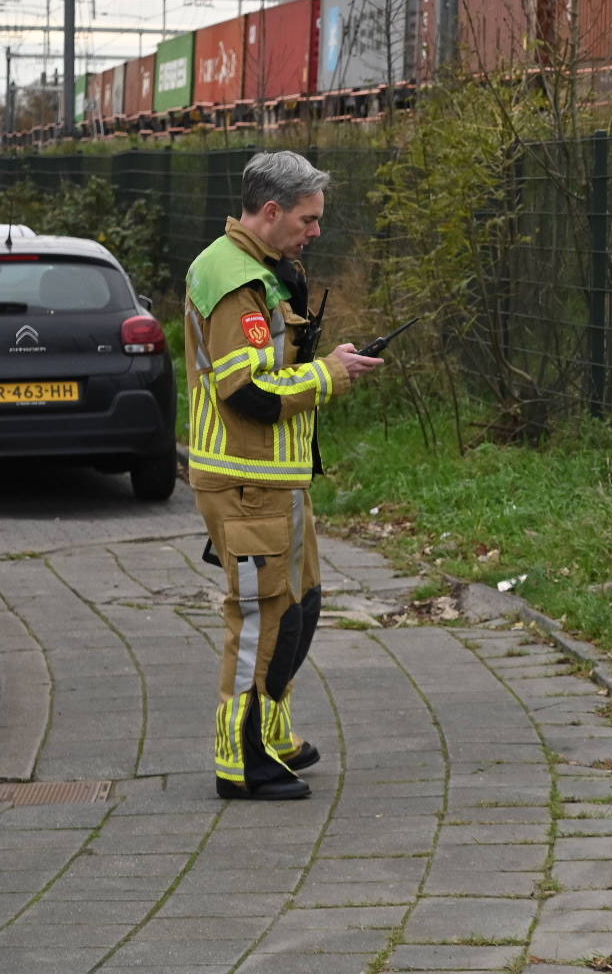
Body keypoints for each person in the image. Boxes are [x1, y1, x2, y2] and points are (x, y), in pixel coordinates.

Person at [182, 151, 384, 800]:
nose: (316, 231)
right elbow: (246, 391)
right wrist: (328, 375)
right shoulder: (232, 278)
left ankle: (272, 736)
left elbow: (273, 361)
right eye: (308, 218)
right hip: (246, 479)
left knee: (300, 609)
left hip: (276, 476)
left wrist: (328, 359)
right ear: (271, 212)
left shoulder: (263, 270)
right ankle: (240, 763)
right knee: (265, 620)